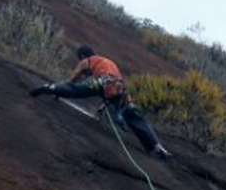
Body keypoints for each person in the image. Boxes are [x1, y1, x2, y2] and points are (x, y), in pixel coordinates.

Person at [30, 45, 171, 158]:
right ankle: (157, 146)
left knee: (75, 89)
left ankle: (49, 87)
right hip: (119, 87)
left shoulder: (86, 61)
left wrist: (58, 92)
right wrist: (101, 109)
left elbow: (71, 81)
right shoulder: (109, 62)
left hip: (101, 82)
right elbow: (110, 94)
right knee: (135, 116)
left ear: (83, 56)